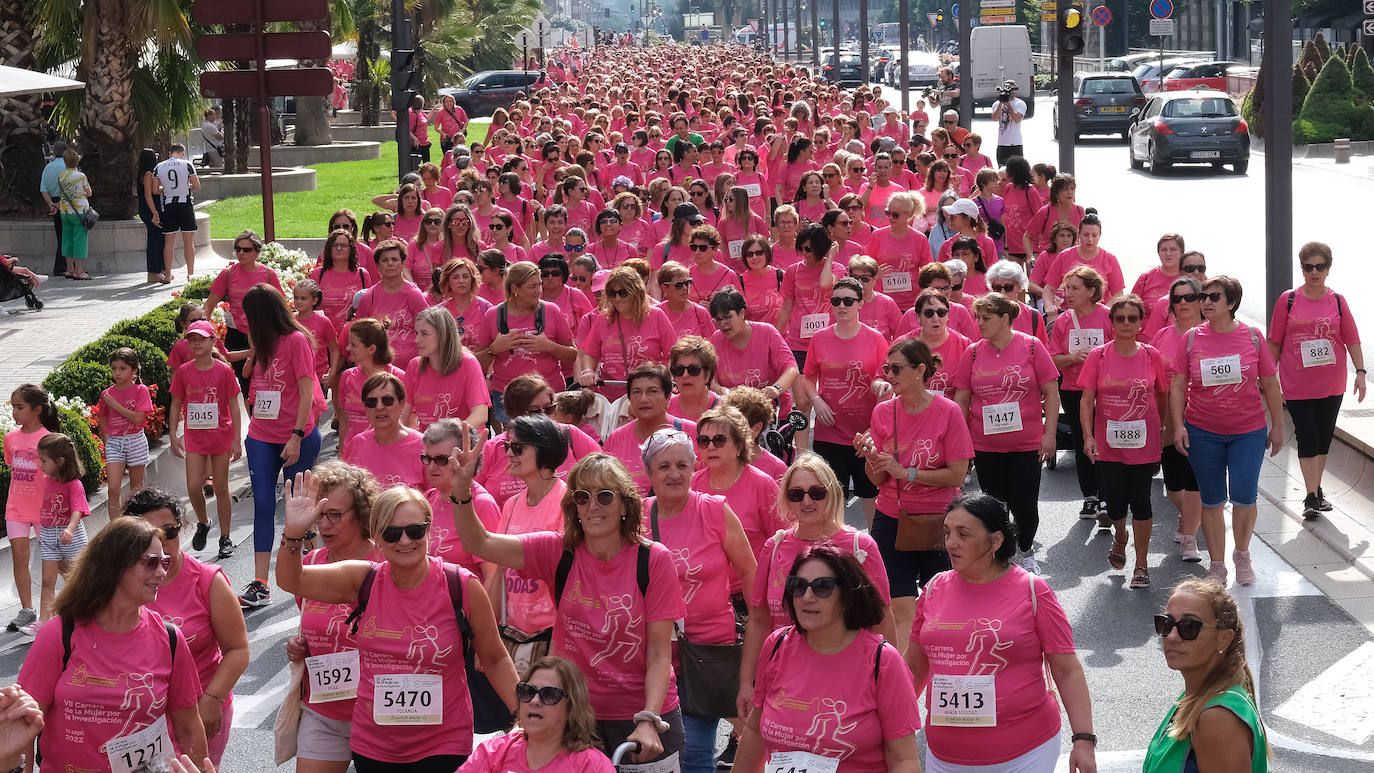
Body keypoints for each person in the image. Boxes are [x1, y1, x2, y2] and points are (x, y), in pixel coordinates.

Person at [447, 450, 689, 765]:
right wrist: (462, 493)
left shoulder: (653, 559)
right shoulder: (557, 551)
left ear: (625, 505)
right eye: (582, 497)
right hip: (576, 716)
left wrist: (649, 719)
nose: (593, 506)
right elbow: (479, 543)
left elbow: (659, 654)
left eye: (604, 496)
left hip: (643, 715)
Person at [277, 477, 520, 772]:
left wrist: (523, 715)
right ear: (377, 537)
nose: (404, 541)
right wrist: (293, 533)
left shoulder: (461, 585)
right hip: (375, 745)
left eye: (414, 530)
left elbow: (494, 658)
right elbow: (292, 580)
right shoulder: (362, 579)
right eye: (392, 534)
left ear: (429, 530)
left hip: (443, 742)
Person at [907, 493, 1098, 773]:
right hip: (945, 756)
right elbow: (913, 668)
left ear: (995, 541)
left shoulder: (1033, 591)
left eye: (963, 534)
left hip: (1024, 754)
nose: (950, 543)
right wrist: (883, 727)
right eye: (947, 532)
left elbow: (1066, 669)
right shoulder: (934, 588)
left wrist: (1084, 740)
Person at [18, 517, 210, 770]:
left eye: (165, 562)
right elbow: (24, 726)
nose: (162, 572)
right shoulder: (59, 633)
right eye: (152, 563)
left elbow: (189, 729)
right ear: (115, 567)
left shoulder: (171, 639)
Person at [733, 544, 922, 773]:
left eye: (822, 587)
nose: (807, 597)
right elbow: (754, 731)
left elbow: (904, 759)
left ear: (846, 596)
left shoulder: (883, 661)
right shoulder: (776, 645)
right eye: (797, 586)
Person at [738, 454, 896, 717]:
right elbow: (758, 620)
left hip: (847, 677)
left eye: (816, 492)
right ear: (787, 499)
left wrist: (889, 682)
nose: (807, 501)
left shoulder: (860, 546)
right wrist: (746, 682)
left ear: (832, 492)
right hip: (784, 678)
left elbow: (882, 619)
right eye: (797, 494)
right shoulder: (774, 547)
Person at [642, 429, 757, 773]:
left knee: (694, 753)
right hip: (651, 656)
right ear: (649, 472)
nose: (674, 473)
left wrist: (759, 637)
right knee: (656, 754)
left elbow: (750, 573)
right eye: (663, 466)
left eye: (682, 464)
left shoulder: (714, 511)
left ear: (694, 468)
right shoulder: (636, 517)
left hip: (707, 655)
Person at [856, 338, 974, 648]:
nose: (889, 375)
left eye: (896, 369)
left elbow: (957, 474)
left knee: (940, 602)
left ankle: (940, 665)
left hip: (938, 520)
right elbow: (880, 477)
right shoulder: (883, 413)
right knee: (898, 604)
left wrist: (908, 473)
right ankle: (906, 681)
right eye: (886, 368)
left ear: (920, 370)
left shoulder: (948, 412)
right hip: (891, 516)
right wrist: (871, 458)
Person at [1171, 276, 1283, 587]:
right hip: (1203, 431)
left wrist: (1278, 426)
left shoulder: (1252, 337)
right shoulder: (1192, 339)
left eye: (1214, 297)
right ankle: (1217, 564)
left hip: (1248, 431)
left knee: (1245, 497)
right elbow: (1178, 385)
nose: (1205, 302)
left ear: (1231, 303)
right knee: (1212, 501)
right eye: (1203, 297)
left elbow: (1270, 384)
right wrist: (1179, 425)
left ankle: (1242, 554)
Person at [125, 489, 249, 766]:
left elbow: (238, 649)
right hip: (141, 717)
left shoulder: (207, 580)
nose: (163, 542)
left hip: (201, 708)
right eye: (150, 534)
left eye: (169, 531)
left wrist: (212, 700)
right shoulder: (118, 585)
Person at [282, 461, 379, 773]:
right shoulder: (310, 562)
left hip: (380, 715)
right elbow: (313, 626)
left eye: (335, 515)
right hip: (323, 710)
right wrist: (302, 647)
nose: (324, 525)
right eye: (318, 515)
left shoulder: (386, 564)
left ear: (362, 515)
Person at [952, 293, 1060, 573]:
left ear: (1004, 319)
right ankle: (1000, 557)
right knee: (993, 506)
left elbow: (1050, 391)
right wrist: (962, 441)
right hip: (986, 445)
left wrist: (1050, 434)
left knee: (1024, 504)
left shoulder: (1033, 347)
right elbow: (961, 400)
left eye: (986, 318)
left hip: (1026, 443)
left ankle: (1026, 551)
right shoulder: (973, 352)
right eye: (977, 317)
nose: (979, 323)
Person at [240, 284, 327, 608]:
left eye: (249, 315)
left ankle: (318, 567)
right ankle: (260, 583)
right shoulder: (260, 342)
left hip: (296, 436)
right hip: (261, 434)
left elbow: (307, 391)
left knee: (300, 508)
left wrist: (295, 434)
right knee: (263, 503)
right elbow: (259, 385)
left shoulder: (297, 340)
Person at [1266, 241, 1365, 519]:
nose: (1314, 272)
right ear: (1302, 269)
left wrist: (1360, 372)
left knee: (1323, 438)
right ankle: (1311, 495)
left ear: (1328, 269)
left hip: (1331, 381)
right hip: (1296, 382)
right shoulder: (1288, 300)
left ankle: (1315, 490)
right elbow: (1274, 341)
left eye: (1319, 266)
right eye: (1308, 267)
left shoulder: (1337, 301)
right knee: (1307, 434)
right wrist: (1266, 377)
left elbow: (1352, 339)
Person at [1079, 295, 1170, 588]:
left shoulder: (1151, 355)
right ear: (1112, 323)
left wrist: (1160, 427)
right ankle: (1121, 535)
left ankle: (1141, 564)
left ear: (1141, 321)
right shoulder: (1099, 356)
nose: (1127, 323)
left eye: (1133, 318)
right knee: (1116, 505)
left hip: (1144, 443)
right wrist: (1088, 436)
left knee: (1141, 502)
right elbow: (1087, 400)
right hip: (1109, 444)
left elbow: (1162, 394)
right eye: (1121, 318)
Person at [1144, 579, 1269, 773]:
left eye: (1189, 627)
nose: (1172, 636)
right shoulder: (1197, 695)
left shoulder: (1217, 718)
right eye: (1166, 623)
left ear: (1223, 639)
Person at [801, 277, 890, 526]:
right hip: (829, 431)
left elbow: (884, 378)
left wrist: (883, 388)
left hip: (865, 432)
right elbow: (808, 380)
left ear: (860, 304)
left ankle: (874, 545)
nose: (841, 305)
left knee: (871, 493)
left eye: (848, 301)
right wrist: (817, 401)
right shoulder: (819, 338)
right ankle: (836, 546)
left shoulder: (875, 339)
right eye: (836, 300)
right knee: (831, 495)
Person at [459, 656, 616, 773]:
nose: (534, 701)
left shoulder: (592, 766)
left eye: (549, 694)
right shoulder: (494, 752)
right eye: (527, 691)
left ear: (572, 708)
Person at [169, 320, 244, 559]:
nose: (196, 343)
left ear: (213, 341)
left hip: (220, 435)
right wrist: (173, 433)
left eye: (201, 338)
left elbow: (234, 404)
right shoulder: (184, 371)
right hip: (195, 437)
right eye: (192, 339)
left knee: (221, 487)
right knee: (193, 486)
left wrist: (236, 440)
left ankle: (225, 537)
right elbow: (176, 403)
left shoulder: (223, 370)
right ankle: (204, 522)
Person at [474, 260, 578, 423]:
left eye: (539, 285)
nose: (539, 291)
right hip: (510, 398)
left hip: (548, 397)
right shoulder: (494, 315)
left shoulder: (551, 311)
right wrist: (494, 349)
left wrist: (549, 346)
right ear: (515, 288)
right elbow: (476, 362)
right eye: (532, 287)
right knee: (518, 444)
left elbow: (573, 355)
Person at [1049, 265, 1112, 521]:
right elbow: (1052, 359)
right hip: (1074, 390)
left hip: (1105, 390)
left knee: (1104, 440)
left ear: (1092, 291)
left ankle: (1107, 494)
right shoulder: (1063, 321)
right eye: (1066, 289)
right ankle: (1090, 497)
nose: (1067, 294)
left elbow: (1123, 348)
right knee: (1082, 440)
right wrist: (1072, 358)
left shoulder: (1109, 316)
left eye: (1075, 288)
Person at [1150, 277, 1206, 562]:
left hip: (1202, 409)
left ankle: (1189, 537)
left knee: (1195, 478)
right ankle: (1187, 517)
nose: (1183, 303)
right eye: (1177, 298)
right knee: (1173, 482)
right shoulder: (1162, 335)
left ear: (1200, 299)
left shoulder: (1209, 334)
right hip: (1169, 411)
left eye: (1189, 297)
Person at [22, 433, 90, 637]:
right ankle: (43, 621)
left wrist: (69, 528)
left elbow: (78, 509)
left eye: (44, 460)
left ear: (60, 461)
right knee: (47, 580)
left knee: (75, 579)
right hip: (49, 535)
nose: (40, 464)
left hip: (71, 535)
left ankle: (84, 615)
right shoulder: (45, 481)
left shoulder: (74, 484)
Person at [575, 267, 678, 401]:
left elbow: (673, 353)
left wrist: (667, 376)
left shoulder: (656, 315)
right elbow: (590, 353)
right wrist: (588, 371)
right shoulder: (603, 319)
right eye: (612, 293)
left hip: (648, 393)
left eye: (623, 293)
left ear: (636, 292)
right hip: (611, 395)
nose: (617, 298)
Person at [4, 384, 59, 632]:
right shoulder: (10, 438)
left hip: (43, 510)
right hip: (15, 509)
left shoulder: (49, 440)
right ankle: (27, 610)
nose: (15, 412)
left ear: (37, 409)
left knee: (53, 560)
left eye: (20, 407)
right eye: (13, 407)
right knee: (19, 559)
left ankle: (66, 603)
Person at [204, 230, 284, 392]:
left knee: (266, 383)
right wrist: (204, 330)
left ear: (257, 252)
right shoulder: (228, 274)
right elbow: (209, 305)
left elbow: (281, 306)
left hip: (264, 335)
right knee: (245, 384)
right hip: (237, 336)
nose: (240, 253)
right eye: (237, 248)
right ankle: (253, 417)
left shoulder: (268, 274)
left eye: (246, 249)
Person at [603, 363, 699, 496]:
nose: (643, 399)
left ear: (668, 397)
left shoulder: (692, 433)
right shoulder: (616, 438)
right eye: (636, 392)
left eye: (652, 391)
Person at [403, 306, 490, 431]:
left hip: (462, 444)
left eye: (424, 334)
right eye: (416, 333)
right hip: (428, 445)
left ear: (443, 335)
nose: (417, 340)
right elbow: (404, 414)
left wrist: (447, 440)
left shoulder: (468, 363)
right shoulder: (414, 366)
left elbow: (480, 415)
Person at [354, 240, 432, 366]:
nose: (390, 263)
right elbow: (359, 337)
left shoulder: (414, 294)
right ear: (378, 265)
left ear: (402, 263)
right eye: (384, 260)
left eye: (395, 259)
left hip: (412, 366)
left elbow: (430, 329)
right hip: (379, 368)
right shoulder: (369, 297)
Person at [100, 347, 153, 519]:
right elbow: (103, 419)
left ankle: (136, 523)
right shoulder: (106, 394)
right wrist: (107, 442)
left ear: (134, 371)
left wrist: (115, 405)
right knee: (113, 489)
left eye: (122, 368)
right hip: (115, 442)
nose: (117, 373)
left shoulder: (140, 391)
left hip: (135, 441)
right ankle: (116, 528)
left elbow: (138, 419)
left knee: (136, 488)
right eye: (114, 368)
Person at [349, 372, 426, 490]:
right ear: (365, 408)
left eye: (387, 400)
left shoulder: (422, 445)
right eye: (372, 402)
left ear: (402, 404)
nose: (379, 407)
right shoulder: (357, 443)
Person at [155, 143, 201, 279]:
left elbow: (155, 189)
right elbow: (197, 186)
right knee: (188, 240)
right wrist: (184, 186)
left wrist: (167, 188)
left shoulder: (159, 167)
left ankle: (168, 274)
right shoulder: (186, 164)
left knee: (169, 241)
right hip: (185, 203)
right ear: (182, 153)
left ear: (170, 153)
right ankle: (190, 274)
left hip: (169, 204)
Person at [55, 148, 93, 280]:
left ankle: (69, 269)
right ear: (77, 161)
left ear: (65, 161)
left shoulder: (61, 176)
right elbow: (89, 193)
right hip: (79, 212)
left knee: (67, 239)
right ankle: (79, 271)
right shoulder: (81, 176)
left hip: (65, 211)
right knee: (79, 240)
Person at [667, 335, 720, 421]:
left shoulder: (723, 409)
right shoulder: (665, 408)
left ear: (707, 375)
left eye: (693, 370)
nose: (685, 375)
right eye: (679, 369)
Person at [138, 148, 168, 283]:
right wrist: (155, 213)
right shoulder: (148, 174)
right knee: (155, 241)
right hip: (150, 209)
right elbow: (148, 195)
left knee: (158, 239)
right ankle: (153, 272)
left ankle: (160, 269)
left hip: (148, 209)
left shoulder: (143, 173)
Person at [40, 140, 69, 277]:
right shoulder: (68, 167)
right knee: (69, 235)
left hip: (55, 201)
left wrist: (51, 204)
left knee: (60, 235)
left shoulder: (48, 168)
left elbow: (43, 189)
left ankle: (61, 266)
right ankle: (65, 267)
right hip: (68, 202)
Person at [992, 80, 1026, 165]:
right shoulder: (996, 104)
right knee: (1002, 170)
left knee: (1017, 171)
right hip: (1002, 144)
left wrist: (1008, 105)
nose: (1011, 92)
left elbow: (1017, 119)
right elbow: (995, 118)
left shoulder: (1020, 104)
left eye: (1012, 89)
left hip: (1015, 144)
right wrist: (1001, 102)